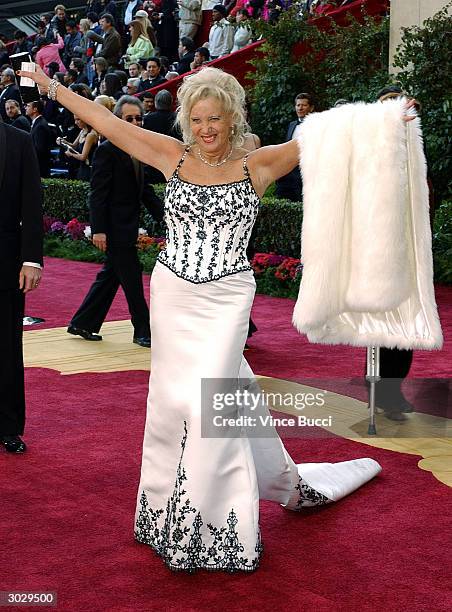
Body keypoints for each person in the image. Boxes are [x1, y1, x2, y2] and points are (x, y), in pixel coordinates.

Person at [21, 64, 416, 573]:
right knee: (174, 404)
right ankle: (165, 511)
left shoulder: (260, 165)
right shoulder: (170, 155)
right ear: (188, 120)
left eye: (216, 119)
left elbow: (328, 135)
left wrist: (385, 118)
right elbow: (105, 120)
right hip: (174, 296)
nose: (207, 128)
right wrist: (52, 87)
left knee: (210, 401)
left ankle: (215, 529)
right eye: (198, 119)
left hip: (227, 297)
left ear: (232, 119)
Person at [66, 95, 164, 347]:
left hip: (127, 227)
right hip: (113, 229)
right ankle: (143, 330)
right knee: (131, 279)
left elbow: (145, 191)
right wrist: (98, 230)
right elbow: (97, 194)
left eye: (138, 118)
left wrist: (166, 218)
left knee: (111, 277)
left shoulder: (138, 149)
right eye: (128, 118)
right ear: (117, 120)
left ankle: (83, 322)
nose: (135, 122)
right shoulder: (106, 151)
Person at [0, 119, 43, 453]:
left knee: (7, 348)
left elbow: (32, 203)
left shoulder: (19, 140)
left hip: (7, 263)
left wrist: (32, 259)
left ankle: (9, 426)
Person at [275, 92, 314, 202]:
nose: (300, 108)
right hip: (288, 171)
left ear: (311, 108)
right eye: (298, 105)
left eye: (303, 105)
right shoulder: (291, 125)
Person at [58, 116, 98, 180]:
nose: (75, 122)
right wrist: (63, 141)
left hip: (88, 169)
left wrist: (71, 154)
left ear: (85, 119)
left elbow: (83, 157)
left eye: (78, 119)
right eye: (75, 120)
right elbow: (73, 145)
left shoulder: (91, 135)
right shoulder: (82, 131)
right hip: (82, 168)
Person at [26, 100, 53, 178]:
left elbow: (39, 149)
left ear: (35, 109)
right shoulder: (38, 123)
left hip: (40, 168)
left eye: (28, 106)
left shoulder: (40, 126)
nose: (25, 108)